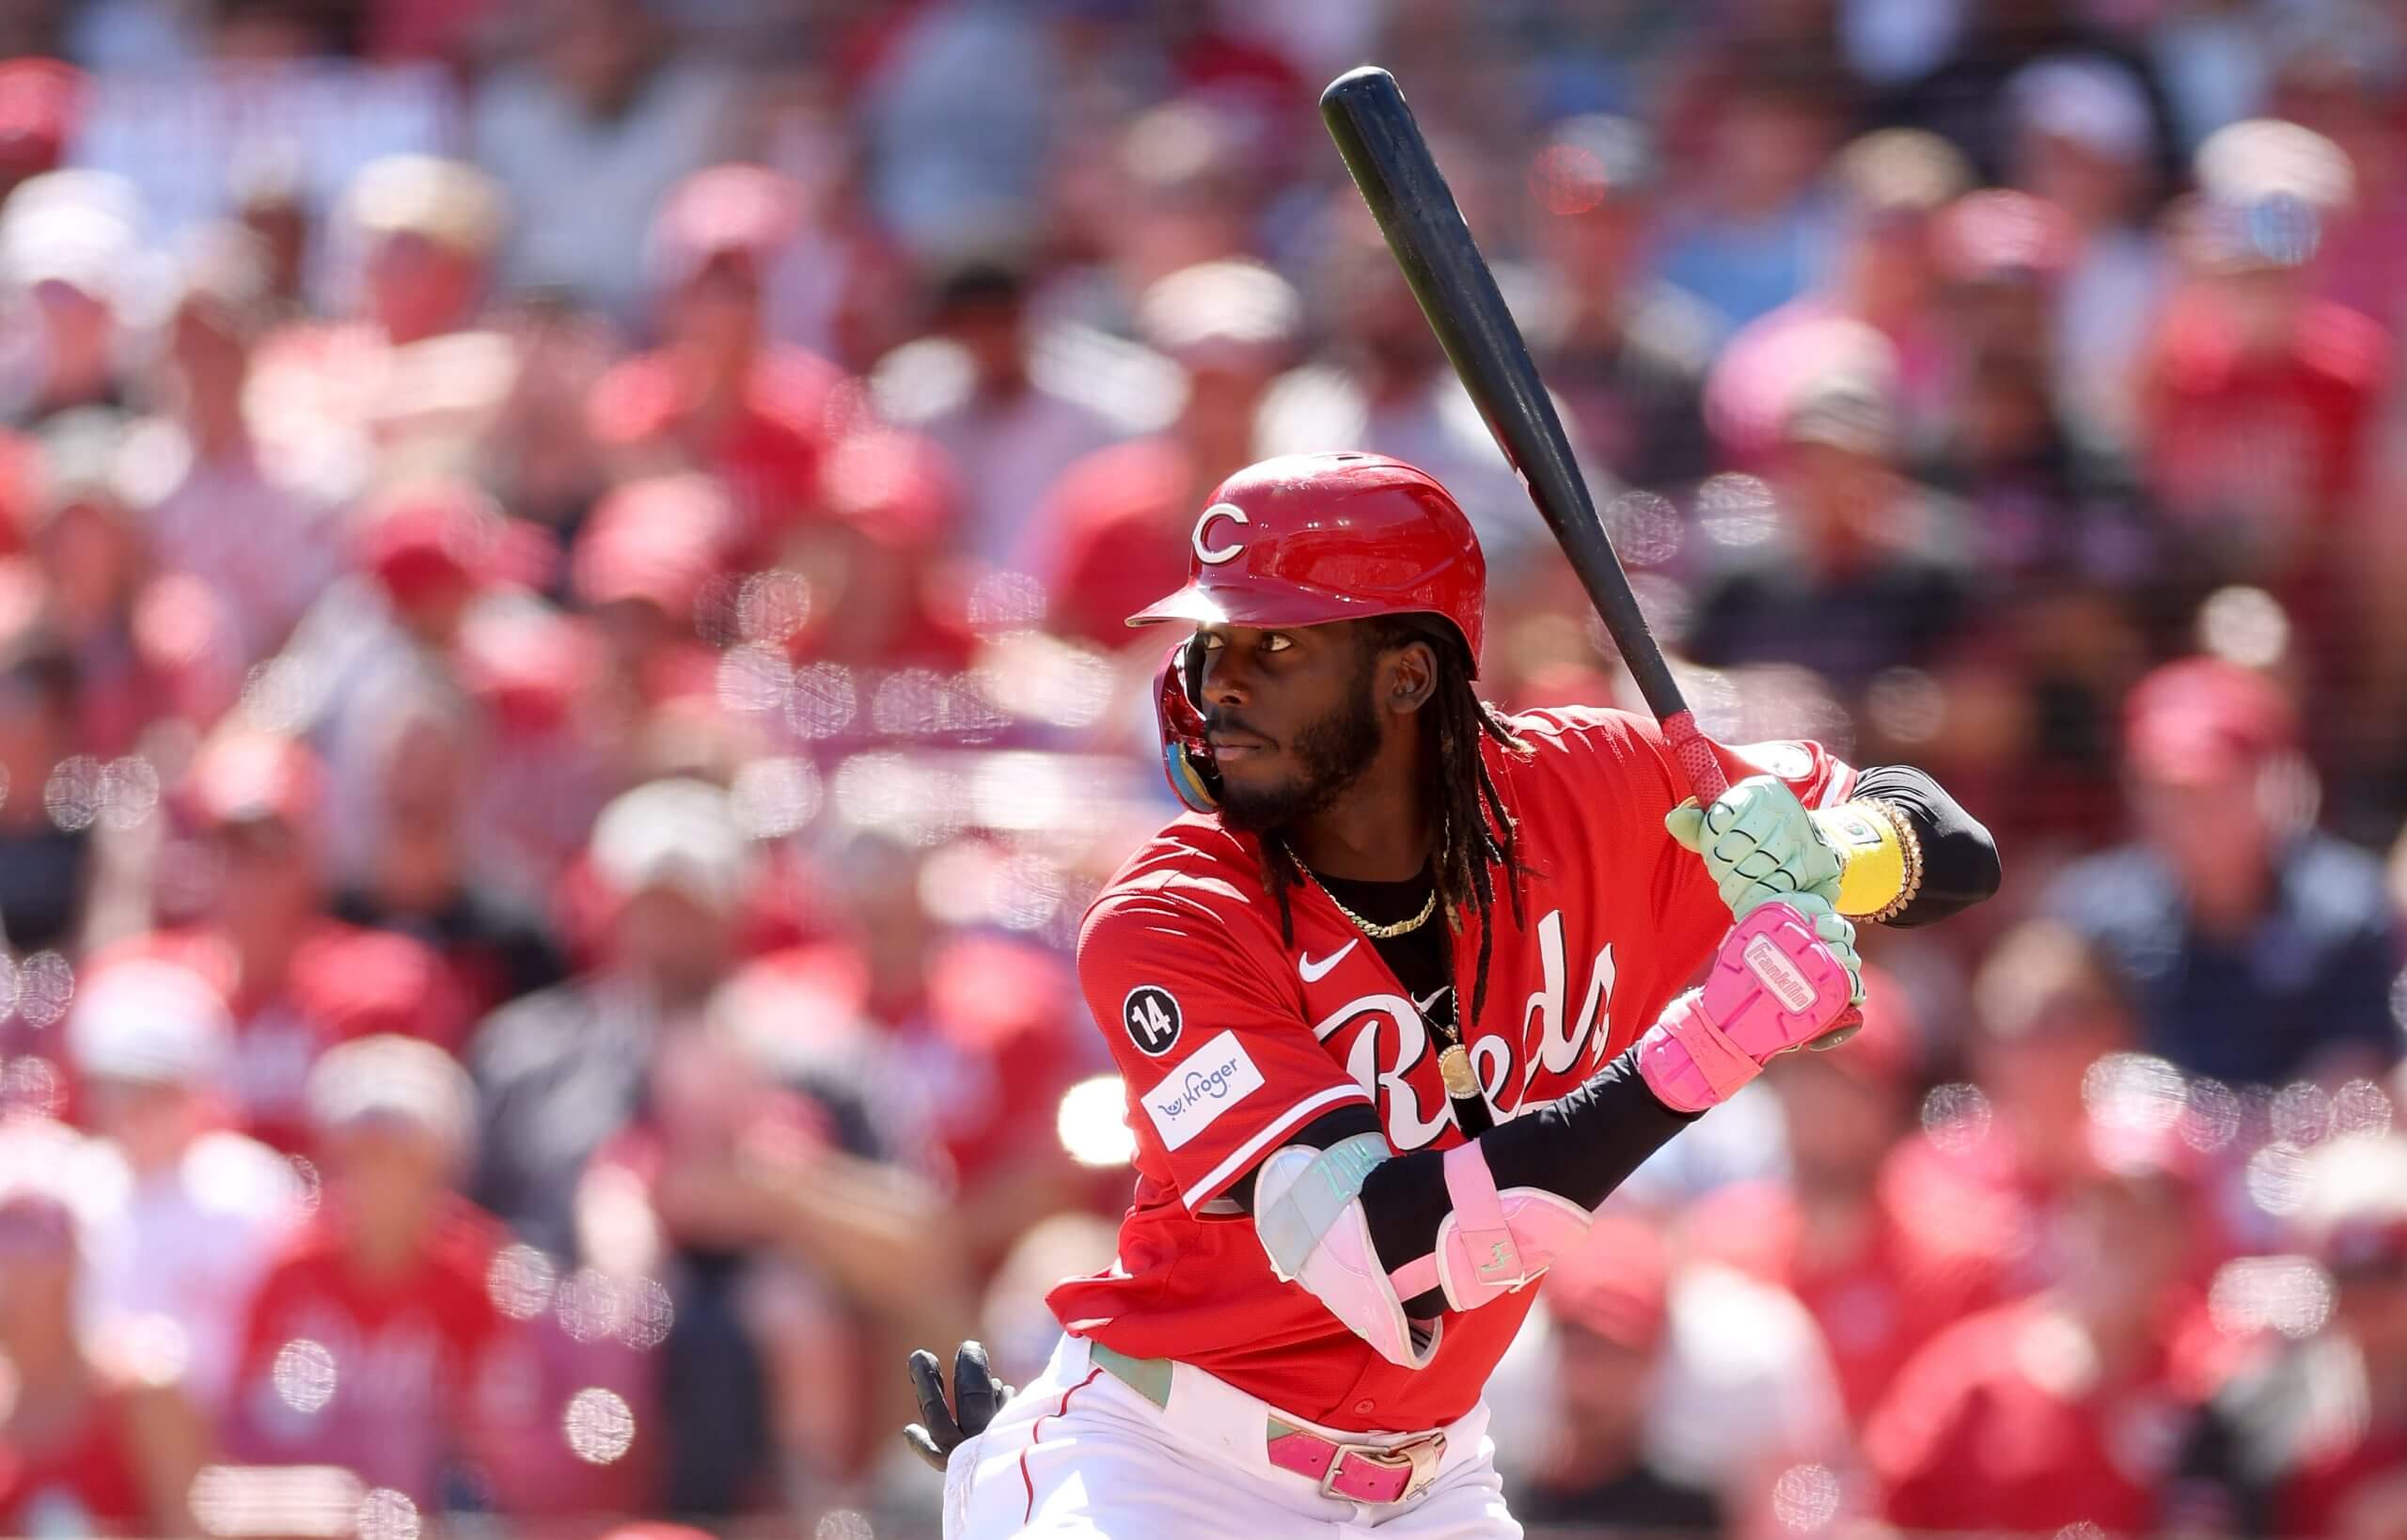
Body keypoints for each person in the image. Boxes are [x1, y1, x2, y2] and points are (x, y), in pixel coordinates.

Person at [907, 450, 1998, 1536]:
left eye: (1273, 642)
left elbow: (1950, 843)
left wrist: (1826, 850)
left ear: (1407, 675)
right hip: (1166, 1466)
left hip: (1431, 1484)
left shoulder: (1594, 791)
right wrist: (1697, 1055)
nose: (1218, 681)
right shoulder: (1173, 914)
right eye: (1212, 641)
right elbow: (1383, 1257)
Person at [2046, 656, 2404, 1088]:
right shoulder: (2092, 918)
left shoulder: (2350, 911)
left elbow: (2359, 1078)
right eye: (2168, 792)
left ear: (2267, 782)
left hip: (2305, 1150)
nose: (2192, 814)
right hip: (2141, 1152)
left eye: (2216, 788)